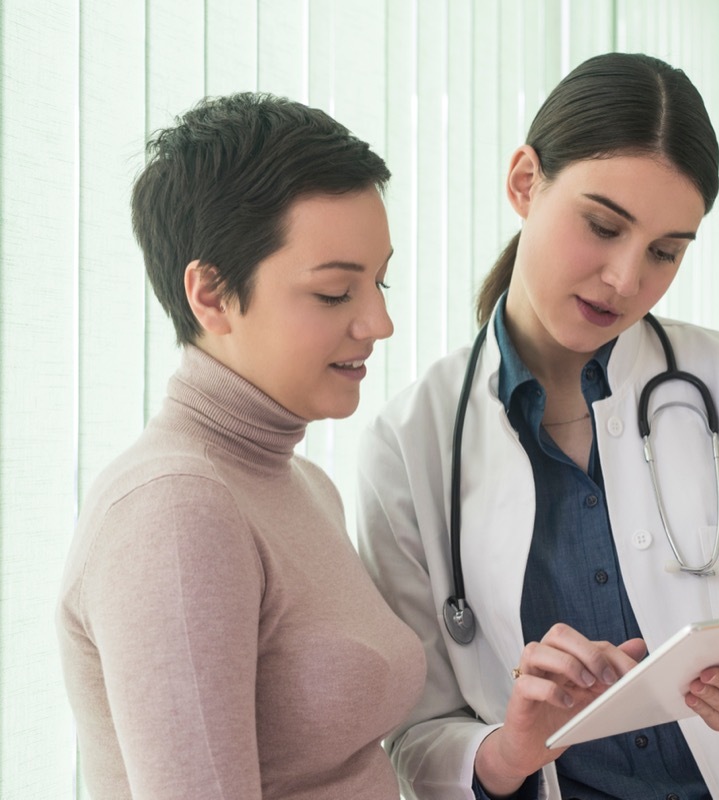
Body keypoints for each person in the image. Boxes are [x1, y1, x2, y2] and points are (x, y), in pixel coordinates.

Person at [357, 52, 719, 800]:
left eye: (666, 252)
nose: (627, 279)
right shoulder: (412, 443)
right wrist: (509, 749)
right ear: (525, 182)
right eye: (603, 226)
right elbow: (417, 731)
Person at [56, 93, 425, 799]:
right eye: (333, 294)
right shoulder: (175, 510)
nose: (379, 322)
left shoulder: (303, 483)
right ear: (213, 295)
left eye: (378, 281)